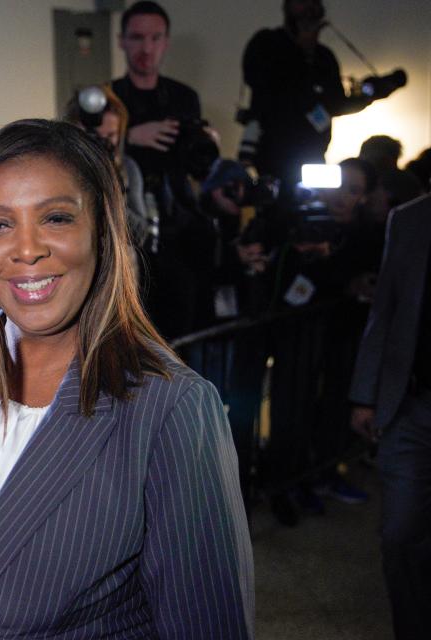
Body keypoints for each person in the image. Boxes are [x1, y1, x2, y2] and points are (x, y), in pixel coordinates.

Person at [0, 119, 253, 638]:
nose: (26, 250)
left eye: (54, 218)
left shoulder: (171, 407)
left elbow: (205, 624)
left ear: (102, 230)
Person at [348, 193, 431, 638]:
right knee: (400, 535)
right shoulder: (410, 219)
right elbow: (386, 311)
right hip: (411, 406)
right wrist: (365, 394)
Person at [111, 1, 218, 337]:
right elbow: (82, 153)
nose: (147, 48)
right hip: (127, 224)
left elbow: (197, 166)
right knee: (132, 327)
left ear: (166, 42)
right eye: (138, 38)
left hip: (178, 222)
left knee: (182, 324)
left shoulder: (184, 97)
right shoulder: (109, 97)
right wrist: (131, 137)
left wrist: (206, 142)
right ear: (122, 41)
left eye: (155, 38)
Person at [241, 0, 390, 187]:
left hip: (313, 155)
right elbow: (262, 84)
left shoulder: (324, 57)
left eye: (314, 5)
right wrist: (301, 53)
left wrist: (368, 96)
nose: (309, 10)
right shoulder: (266, 43)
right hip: (273, 155)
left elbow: (337, 104)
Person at [63, 83, 149, 249]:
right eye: (93, 135)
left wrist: (107, 185)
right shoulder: (59, 169)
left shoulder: (127, 168)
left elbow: (139, 235)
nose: (102, 143)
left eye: (110, 135)